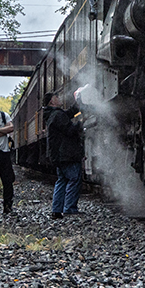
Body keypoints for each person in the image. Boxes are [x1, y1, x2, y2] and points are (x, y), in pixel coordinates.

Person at [44, 90, 84, 218]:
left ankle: (56, 210)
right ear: (52, 101)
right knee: (74, 178)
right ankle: (70, 208)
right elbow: (70, 130)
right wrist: (82, 123)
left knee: (61, 180)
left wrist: (77, 103)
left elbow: (68, 114)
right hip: (66, 154)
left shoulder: (53, 115)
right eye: (57, 97)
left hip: (59, 155)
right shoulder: (57, 115)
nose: (59, 98)